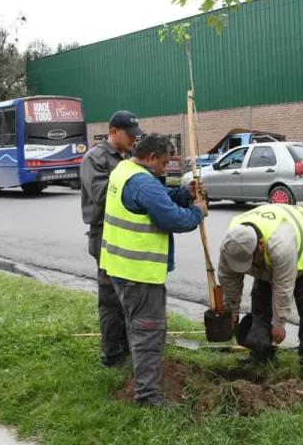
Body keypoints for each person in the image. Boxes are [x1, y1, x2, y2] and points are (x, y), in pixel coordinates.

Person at [100, 133, 207, 407]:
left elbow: (160, 198)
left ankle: (141, 377)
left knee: (136, 327)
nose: (165, 169)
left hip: (120, 269)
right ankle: (148, 397)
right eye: (164, 163)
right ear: (151, 158)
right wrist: (198, 211)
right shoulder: (144, 183)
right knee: (148, 332)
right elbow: (171, 217)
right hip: (140, 274)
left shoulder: (124, 170)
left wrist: (184, 193)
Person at [217, 203, 303, 383]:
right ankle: (263, 354)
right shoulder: (231, 244)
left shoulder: (281, 244)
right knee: (261, 300)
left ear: (260, 245)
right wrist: (232, 313)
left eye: (249, 260)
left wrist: (279, 324)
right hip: (270, 261)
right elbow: (229, 280)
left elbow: (283, 288)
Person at [80, 110, 143, 369]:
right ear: (113, 131)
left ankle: (127, 347)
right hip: (104, 235)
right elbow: (103, 195)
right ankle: (112, 355)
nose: (134, 140)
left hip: (124, 234)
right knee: (110, 299)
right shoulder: (95, 158)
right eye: (130, 135)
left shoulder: (127, 157)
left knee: (127, 296)